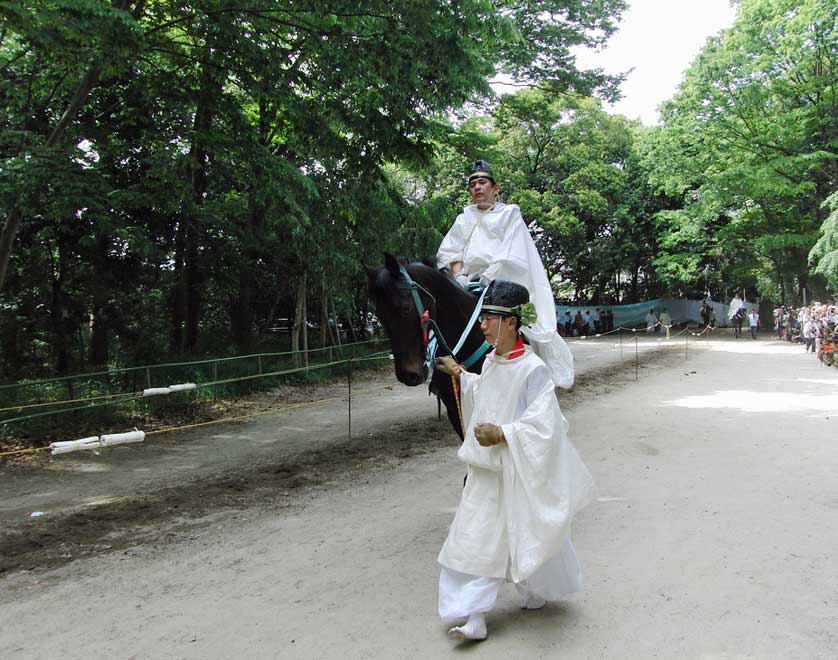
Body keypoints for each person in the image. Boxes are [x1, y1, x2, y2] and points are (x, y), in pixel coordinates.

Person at [434, 280, 594, 641]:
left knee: (529, 531)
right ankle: (474, 616)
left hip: (514, 470)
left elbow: (546, 424)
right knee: (473, 539)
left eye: (489, 318)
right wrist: (460, 373)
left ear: (511, 322)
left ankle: (535, 591)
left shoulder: (533, 369)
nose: (483, 325)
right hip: (485, 472)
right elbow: (486, 389)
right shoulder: (493, 360)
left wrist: (504, 433)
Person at [436, 160, 573, 388]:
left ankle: (526, 373)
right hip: (467, 283)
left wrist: (490, 275)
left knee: (510, 321)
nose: (477, 188)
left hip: (502, 280)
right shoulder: (463, 219)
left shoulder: (510, 214)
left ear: (495, 187)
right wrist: (459, 277)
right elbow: (450, 252)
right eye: (473, 185)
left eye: (482, 182)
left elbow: (512, 251)